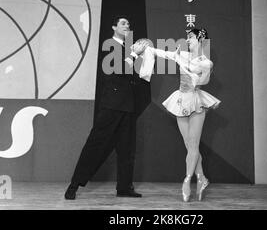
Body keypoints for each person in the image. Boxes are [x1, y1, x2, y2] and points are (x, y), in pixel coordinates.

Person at [64, 16, 147, 200]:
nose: (127, 26)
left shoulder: (127, 49)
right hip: (111, 104)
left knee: (127, 149)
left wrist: (139, 55)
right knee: (96, 144)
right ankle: (74, 185)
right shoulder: (110, 45)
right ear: (113, 27)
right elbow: (119, 69)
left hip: (127, 105)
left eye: (128, 23)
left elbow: (135, 73)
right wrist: (134, 54)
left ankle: (124, 187)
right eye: (123, 23)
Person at [134, 28, 221, 202]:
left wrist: (190, 70)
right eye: (187, 38)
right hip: (181, 100)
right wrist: (146, 49)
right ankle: (202, 178)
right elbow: (161, 53)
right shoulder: (182, 55)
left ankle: (187, 180)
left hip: (196, 102)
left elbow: (204, 80)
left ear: (200, 39)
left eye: (190, 37)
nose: (187, 40)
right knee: (189, 145)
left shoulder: (206, 63)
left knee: (194, 144)